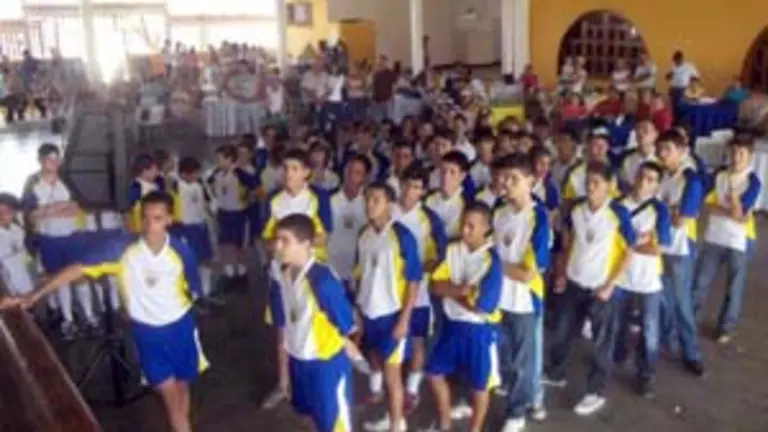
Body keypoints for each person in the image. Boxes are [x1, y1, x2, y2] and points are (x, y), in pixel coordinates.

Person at [2, 191, 208, 432]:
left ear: (169, 220)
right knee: (170, 396)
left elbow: (191, 290)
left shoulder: (182, 253)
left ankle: (183, 425)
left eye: (158, 218)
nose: (150, 225)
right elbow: (76, 270)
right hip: (149, 335)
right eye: (146, 218)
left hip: (181, 328)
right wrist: (31, 296)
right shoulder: (121, 249)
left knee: (182, 388)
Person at [548, 162, 635, 416]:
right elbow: (568, 242)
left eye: (597, 183)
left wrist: (611, 284)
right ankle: (556, 372)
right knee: (563, 329)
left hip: (601, 287)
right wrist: (562, 272)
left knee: (601, 341)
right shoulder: (576, 208)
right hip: (574, 281)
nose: (591, 187)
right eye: (588, 182)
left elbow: (629, 253)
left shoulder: (618, 213)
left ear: (609, 186)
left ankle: (595, 390)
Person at [267, 214, 356, 432]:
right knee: (309, 417)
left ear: (306, 244)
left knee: (334, 425)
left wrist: (349, 347)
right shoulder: (282, 274)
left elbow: (347, 324)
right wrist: (285, 370)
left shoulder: (323, 281)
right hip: (298, 360)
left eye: (285, 240)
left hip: (325, 364)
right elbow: (285, 324)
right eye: (277, 240)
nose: (278, 246)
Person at [425, 202, 503, 432]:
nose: (465, 230)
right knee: (434, 372)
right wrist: (461, 290)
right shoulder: (452, 250)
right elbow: (435, 286)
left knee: (480, 384)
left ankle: (475, 429)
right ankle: (445, 422)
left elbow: (481, 307)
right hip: (452, 325)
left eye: (471, 226)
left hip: (479, 330)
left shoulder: (491, 261)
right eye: (463, 224)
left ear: (485, 229)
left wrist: (451, 290)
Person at [356, 182, 421, 432]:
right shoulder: (364, 235)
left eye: (376, 200)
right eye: (368, 199)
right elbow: (361, 275)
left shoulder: (402, 237)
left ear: (389, 205)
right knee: (378, 362)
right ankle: (391, 416)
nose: (370, 205)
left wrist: (404, 320)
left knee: (393, 375)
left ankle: (397, 424)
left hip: (391, 315)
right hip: (369, 312)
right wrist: (360, 313)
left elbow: (413, 281)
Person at [492, 154, 550, 432]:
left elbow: (528, 272)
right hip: (498, 297)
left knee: (522, 359)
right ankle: (518, 395)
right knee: (505, 353)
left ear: (531, 181)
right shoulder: (499, 212)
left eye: (514, 179)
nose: (507, 184)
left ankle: (517, 412)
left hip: (525, 300)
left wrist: (495, 265)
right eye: (504, 178)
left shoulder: (538, 218)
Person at [22, 143, 97, 339]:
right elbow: (31, 215)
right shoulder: (32, 183)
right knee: (58, 277)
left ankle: (89, 316)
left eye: (57, 159)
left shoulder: (68, 179)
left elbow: (79, 206)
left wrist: (47, 210)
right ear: (40, 161)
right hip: (50, 239)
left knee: (80, 275)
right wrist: (61, 207)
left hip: (74, 236)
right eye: (49, 159)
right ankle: (68, 319)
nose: (54, 163)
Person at [692, 137, 762, 343]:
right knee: (700, 283)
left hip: (739, 241)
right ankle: (690, 319)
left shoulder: (753, 181)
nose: (736, 157)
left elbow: (740, 213)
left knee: (734, 286)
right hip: (714, 236)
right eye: (733, 152)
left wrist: (732, 195)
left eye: (741, 153)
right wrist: (730, 210)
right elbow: (707, 204)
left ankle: (726, 326)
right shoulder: (718, 175)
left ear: (749, 157)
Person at [613, 162, 672, 397]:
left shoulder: (659, 210)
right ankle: (617, 354)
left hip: (648, 280)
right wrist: (643, 241)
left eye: (651, 179)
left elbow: (660, 248)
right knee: (617, 322)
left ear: (657, 185)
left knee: (649, 330)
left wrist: (631, 245)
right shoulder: (618, 206)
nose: (644, 183)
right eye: (641, 177)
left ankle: (646, 373)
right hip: (620, 277)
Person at [393, 165, 447, 412]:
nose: (409, 191)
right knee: (390, 339)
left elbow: (440, 258)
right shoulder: (388, 211)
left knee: (417, 341)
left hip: (419, 293)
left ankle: (412, 389)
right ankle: (389, 386)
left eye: (416, 187)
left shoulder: (430, 219)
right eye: (406, 184)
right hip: (390, 291)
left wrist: (415, 267)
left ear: (423, 191)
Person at [656, 130, 706, 376]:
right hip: (658, 247)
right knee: (663, 298)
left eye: (668, 149)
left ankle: (692, 352)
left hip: (679, 248)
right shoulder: (659, 176)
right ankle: (667, 341)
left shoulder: (691, 180)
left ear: (682, 151)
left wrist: (664, 210)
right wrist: (668, 209)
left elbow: (679, 220)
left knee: (681, 302)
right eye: (660, 149)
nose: (662, 154)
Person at [170, 157, 218, 309]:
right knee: (190, 262)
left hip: (200, 226)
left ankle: (205, 292)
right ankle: (192, 294)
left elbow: (210, 202)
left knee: (205, 259)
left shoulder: (199, 185)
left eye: (197, 174)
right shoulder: (176, 187)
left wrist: (211, 212)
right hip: (185, 228)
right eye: (192, 174)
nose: (195, 177)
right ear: (183, 174)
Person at [208, 145, 256, 279]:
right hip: (223, 212)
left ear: (230, 159)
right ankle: (229, 271)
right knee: (225, 243)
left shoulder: (239, 173)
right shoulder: (217, 173)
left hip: (237, 213)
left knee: (238, 244)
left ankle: (241, 271)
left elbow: (254, 186)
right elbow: (208, 184)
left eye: (220, 159)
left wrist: (248, 200)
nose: (218, 162)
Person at [327, 155, 370, 290]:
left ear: (365, 177)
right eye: (349, 171)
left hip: (356, 271)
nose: (352, 177)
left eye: (357, 173)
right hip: (330, 267)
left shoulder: (369, 203)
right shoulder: (328, 199)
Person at [425, 151, 474, 238]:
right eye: (443, 171)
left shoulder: (467, 205)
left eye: (452, 172)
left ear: (462, 176)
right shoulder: (427, 199)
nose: (446, 177)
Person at [0, 193, 34, 297]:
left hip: (21, 271)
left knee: (29, 299)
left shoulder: (17, 229)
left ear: (14, 212)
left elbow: (23, 251)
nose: (1, 215)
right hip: (5, 275)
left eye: (7, 211)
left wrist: (30, 265)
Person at [618, 118, 659, 191]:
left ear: (655, 134)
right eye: (638, 130)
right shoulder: (627, 159)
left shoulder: (662, 157)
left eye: (645, 130)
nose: (641, 133)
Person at [126, 154, 161, 233]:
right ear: (145, 171)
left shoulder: (156, 186)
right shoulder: (137, 186)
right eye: (154, 170)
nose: (157, 173)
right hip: (141, 226)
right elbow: (132, 208)